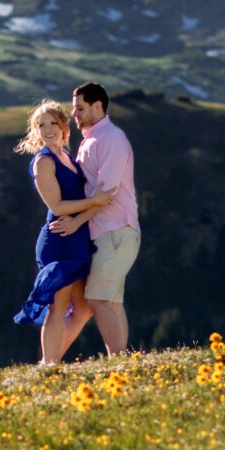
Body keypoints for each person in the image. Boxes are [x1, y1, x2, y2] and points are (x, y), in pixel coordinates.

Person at [13, 100, 116, 365]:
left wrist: (89, 210)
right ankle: (49, 365)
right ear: (36, 131)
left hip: (78, 238)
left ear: (64, 128)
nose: (47, 129)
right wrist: (96, 201)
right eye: (41, 125)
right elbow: (56, 205)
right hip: (58, 239)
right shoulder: (43, 161)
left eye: (52, 123)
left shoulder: (68, 158)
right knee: (57, 307)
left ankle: (51, 360)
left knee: (83, 309)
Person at [49, 82, 140, 356]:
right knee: (110, 301)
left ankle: (119, 360)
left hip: (114, 228)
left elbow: (107, 192)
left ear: (98, 106)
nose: (74, 114)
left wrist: (76, 221)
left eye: (79, 108)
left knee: (98, 299)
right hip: (107, 231)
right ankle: (120, 358)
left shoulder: (110, 138)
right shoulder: (93, 140)